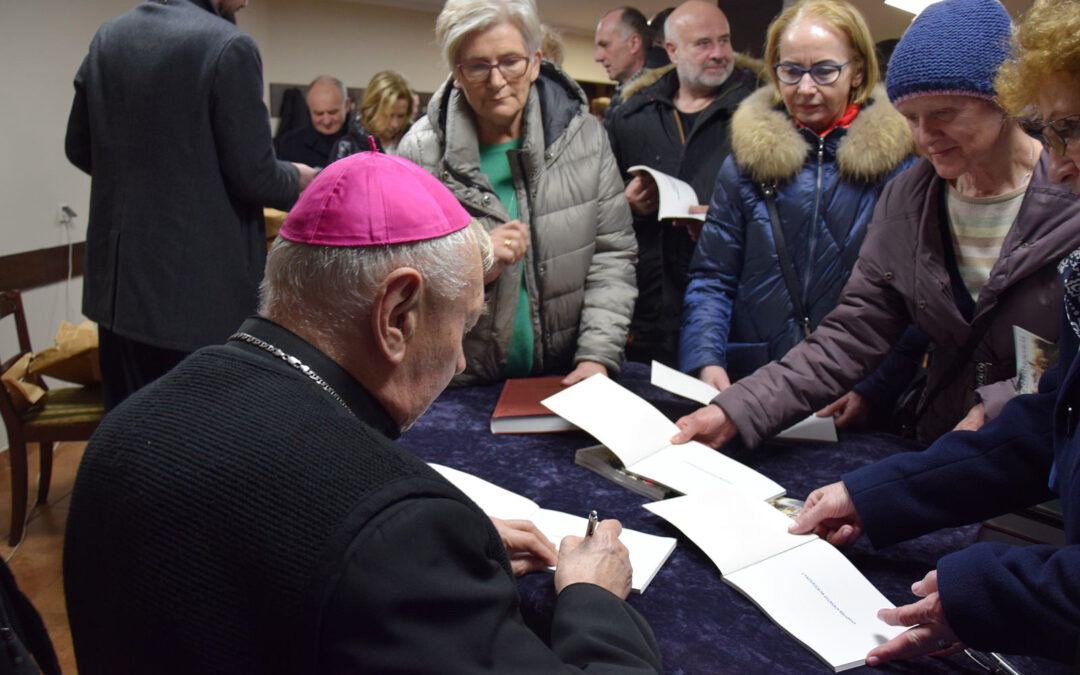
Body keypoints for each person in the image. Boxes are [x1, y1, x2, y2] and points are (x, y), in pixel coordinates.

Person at [63, 151, 664, 674]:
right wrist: (593, 598)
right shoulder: (399, 533)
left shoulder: (128, 424)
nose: (458, 361)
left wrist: (449, 564)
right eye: (465, 323)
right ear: (398, 315)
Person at [788, 2, 1080, 666]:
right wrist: (876, 494)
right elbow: (1048, 421)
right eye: (1053, 131)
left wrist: (986, 589)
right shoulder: (913, 195)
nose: (1059, 166)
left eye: (1072, 129)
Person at [671, 0, 1080, 450]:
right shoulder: (909, 198)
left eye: (944, 113)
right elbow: (852, 334)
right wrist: (737, 409)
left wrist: (1000, 404)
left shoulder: (1071, 191)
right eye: (911, 118)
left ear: (1005, 99)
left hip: (1050, 462)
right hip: (941, 452)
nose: (924, 136)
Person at [64, 0, 315, 411]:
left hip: (114, 294)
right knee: (195, 447)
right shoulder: (230, 46)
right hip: (196, 300)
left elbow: (78, 147)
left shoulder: (109, 37)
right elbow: (255, 176)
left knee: (128, 432)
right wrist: (301, 178)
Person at [398, 0, 637, 387]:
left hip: (567, 379)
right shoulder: (420, 152)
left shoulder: (585, 139)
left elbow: (613, 255)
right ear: (457, 73)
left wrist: (597, 358)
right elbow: (401, 274)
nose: (497, 82)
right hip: (457, 383)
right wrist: (473, 257)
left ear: (536, 61)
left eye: (511, 61)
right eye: (478, 66)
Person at [679, 0, 913, 388]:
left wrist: (873, 392)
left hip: (850, 384)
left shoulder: (899, 170)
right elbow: (712, 277)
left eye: (824, 71)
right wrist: (706, 361)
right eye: (790, 71)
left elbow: (909, 300)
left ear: (856, 71)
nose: (805, 88)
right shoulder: (743, 166)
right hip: (752, 380)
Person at [607, 0, 758, 366]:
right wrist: (625, 204)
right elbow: (598, 207)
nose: (720, 53)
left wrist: (724, 221)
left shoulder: (762, 110)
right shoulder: (632, 114)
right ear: (671, 50)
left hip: (731, 316)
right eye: (703, 43)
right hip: (648, 312)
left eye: (725, 41)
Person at [331, 70, 415, 158]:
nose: (395, 124)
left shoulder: (414, 145)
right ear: (371, 110)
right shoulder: (346, 147)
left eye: (401, 116)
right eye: (387, 116)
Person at [276, 75, 351, 167]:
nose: (326, 121)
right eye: (319, 114)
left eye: (332, 112)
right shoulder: (289, 146)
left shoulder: (364, 142)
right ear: (309, 109)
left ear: (347, 105)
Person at [594, 7, 649, 123]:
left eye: (604, 45)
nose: (597, 57)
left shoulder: (662, 102)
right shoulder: (617, 105)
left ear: (634, 43)